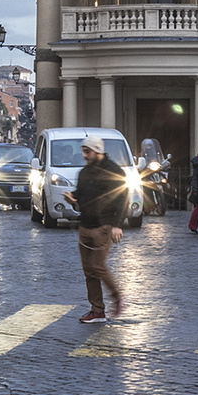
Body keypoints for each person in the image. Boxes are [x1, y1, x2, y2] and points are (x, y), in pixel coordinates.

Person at [66, 135, 127, 323]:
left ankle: (116, 296)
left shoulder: (114, 171)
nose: (84, 155)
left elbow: (123, 199)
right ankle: (97, 310)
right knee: (88, 271)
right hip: (85, 225)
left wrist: (117, 225)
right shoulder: (84, 173)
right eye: (84, 151)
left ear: (97, 151)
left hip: (104, 226)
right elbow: (80, 194)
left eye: (87, 151)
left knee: (97, 266)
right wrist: (72, 198)